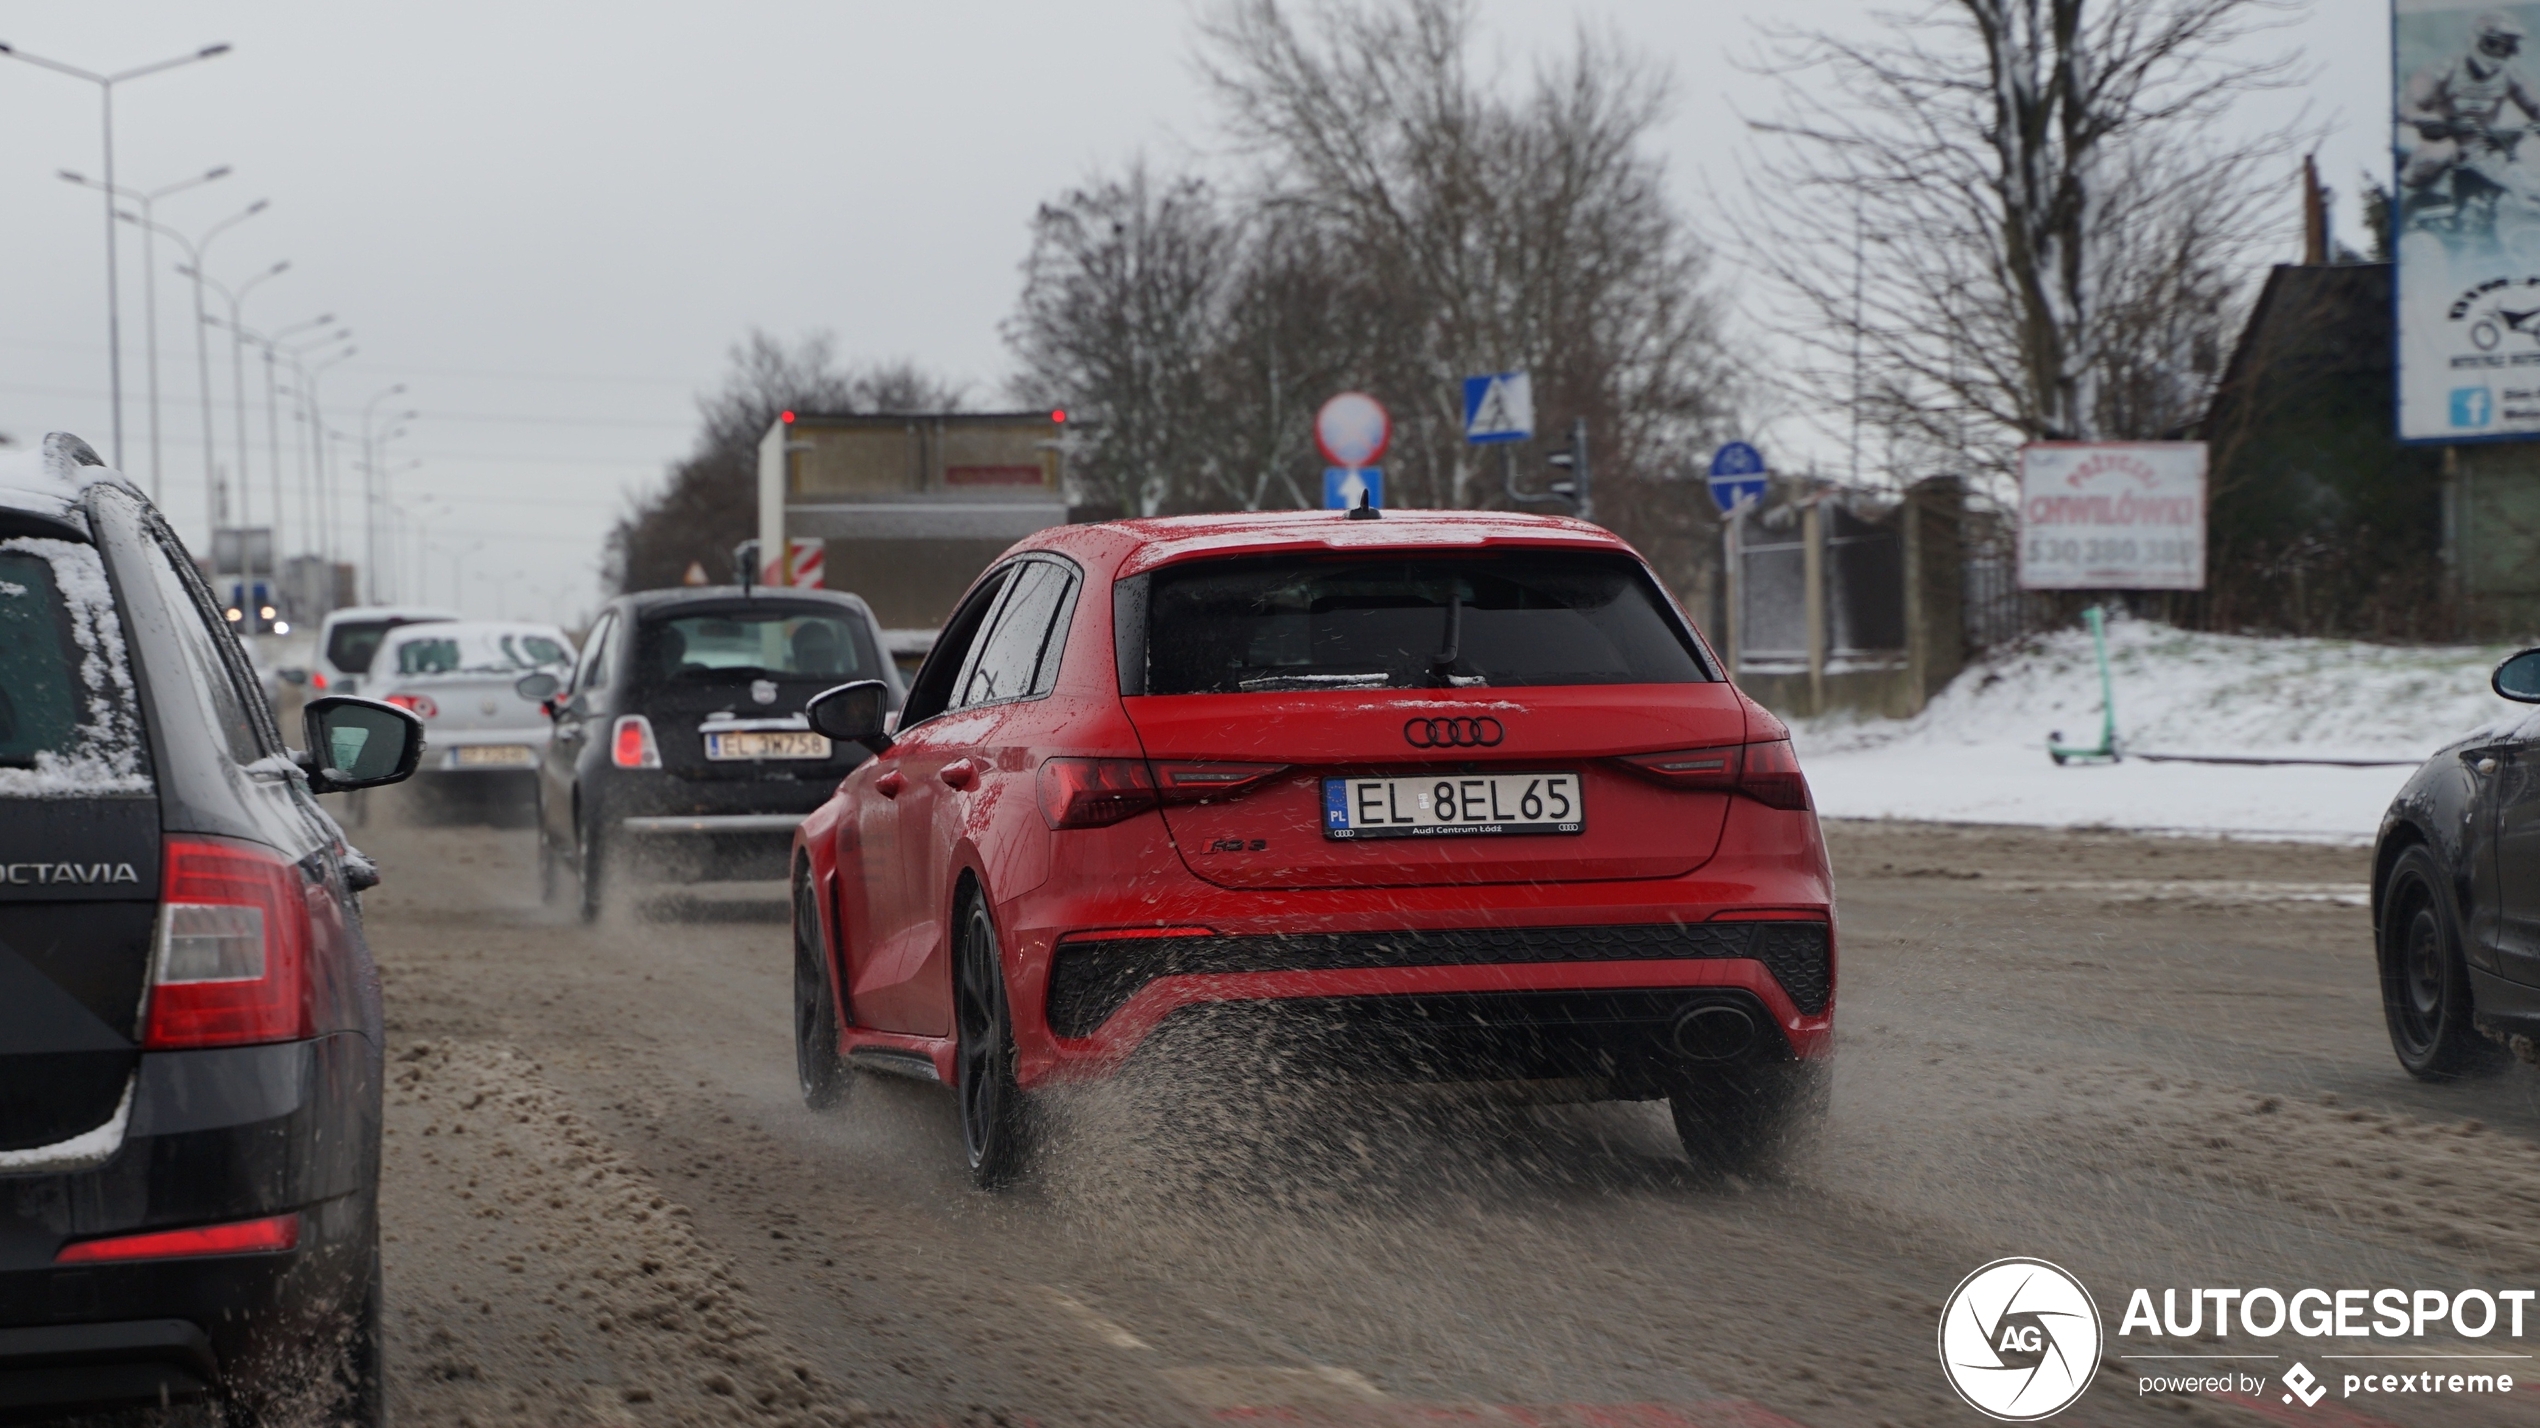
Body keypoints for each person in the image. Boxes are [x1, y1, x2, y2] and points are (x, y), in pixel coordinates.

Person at [2401, 11, 2540, 216]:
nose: (2499, 53)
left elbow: (2536, 105)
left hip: (2482, 143)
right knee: (2436, 156)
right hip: (2443, 137)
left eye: (2507, 46)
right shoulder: (2443, 68)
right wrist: (2433, 121)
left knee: (2526, 165)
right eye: (2493, 44)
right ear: (2476, 39)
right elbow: (2406, 107)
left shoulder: (2511, 74)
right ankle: (2403, 201)